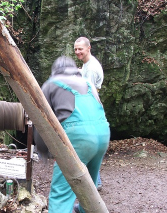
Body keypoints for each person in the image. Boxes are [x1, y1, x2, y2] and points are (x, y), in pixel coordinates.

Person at [34, 56, 110, 213]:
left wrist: (42, 150)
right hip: (103, 133)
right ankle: (86, 210)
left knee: (61, 191)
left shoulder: (51, 84)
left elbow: (41, 121)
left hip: (79, 137)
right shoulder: (88, 83)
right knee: (90, 182)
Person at [74, 36, 104, 189]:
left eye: (81, 49)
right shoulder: (87, 64)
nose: (78, 52)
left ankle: (95, 181)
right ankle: (95, 180)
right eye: (76, 49)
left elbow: (90, 92)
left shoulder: (91, 69)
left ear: (88, 48)